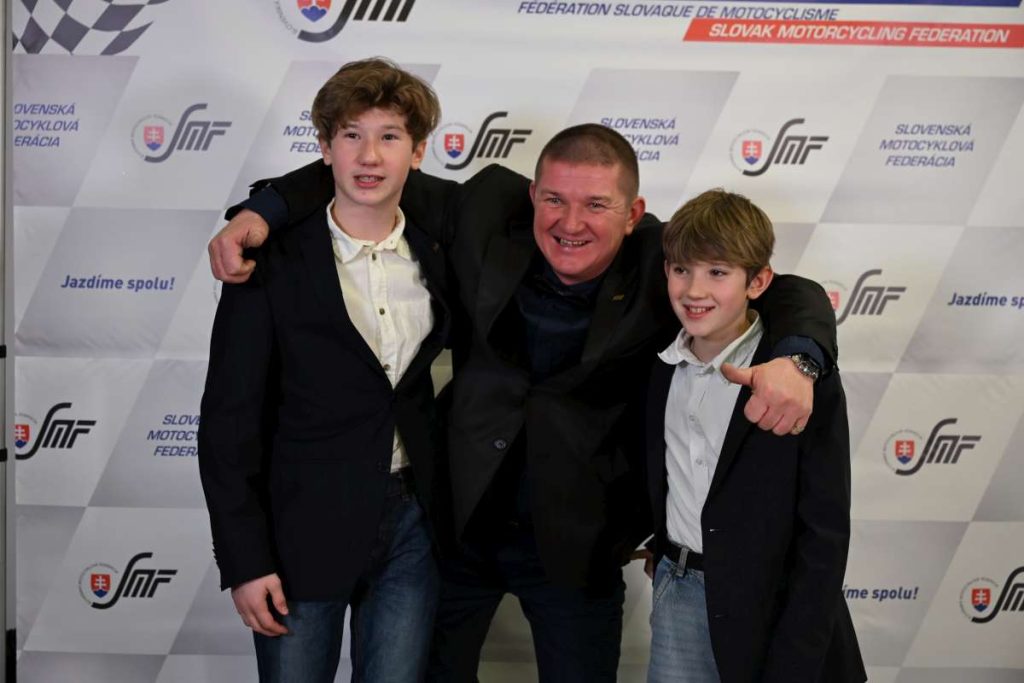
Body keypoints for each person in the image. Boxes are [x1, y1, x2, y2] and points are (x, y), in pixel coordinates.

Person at [209, 123, 838, 682]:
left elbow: (787, 291)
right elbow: (367, 173)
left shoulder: (664, 262)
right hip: (456, 531)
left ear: (633, 214)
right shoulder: (485, 210)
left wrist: (801, 356)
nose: (571, 223)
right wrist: (263, 208)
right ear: (532, 194)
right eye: (555, 199)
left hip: (580, 543)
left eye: (596, 205)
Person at [197, 58, 449, 683]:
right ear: (325, 147)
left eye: (389, 136)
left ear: (418, 152)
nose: (370, 155)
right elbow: (228, 421)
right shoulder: (269, 261)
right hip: (299, 531)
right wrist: (245, 561)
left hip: (414, 527)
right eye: (351, 135)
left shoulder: (441, 243)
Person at [645, 189, 865, 682]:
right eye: (681, 270)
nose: (694, 290)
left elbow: (824, 530)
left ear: (759, 281)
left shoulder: (797, 379)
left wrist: (801, 648)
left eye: (717, 273)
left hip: (774, 601)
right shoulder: (659, 364)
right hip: (678, 590)